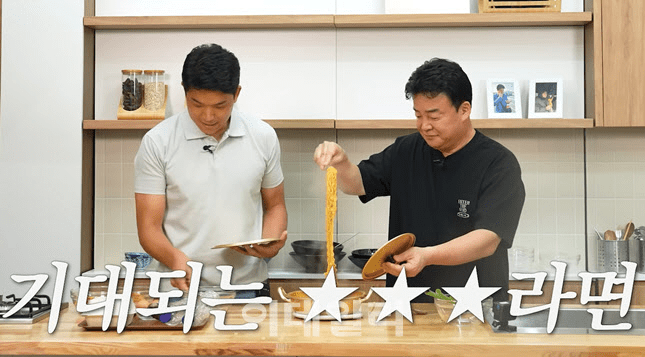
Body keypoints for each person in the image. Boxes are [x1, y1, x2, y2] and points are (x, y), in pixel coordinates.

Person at [313, 58, 525, 302]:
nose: (425, 126)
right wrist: (341, 163)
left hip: (475, 307)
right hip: (408, 305)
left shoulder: (498, 163)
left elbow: (487, 239)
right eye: (418, 115)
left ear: (464, 110)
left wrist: (427, 256)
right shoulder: (406, 150)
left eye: (434, 116)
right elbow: (357, 183)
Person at [134, 44, 287, 296]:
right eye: (196, 104)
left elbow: (275, 205)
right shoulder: (157, 142)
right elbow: (148, 228)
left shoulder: (263, 136)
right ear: (184, 93)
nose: (207, 116)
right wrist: (174, 258)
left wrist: (270, 244)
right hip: (178, 290)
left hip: (247, 288)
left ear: (236, 94)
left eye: (219, 105)